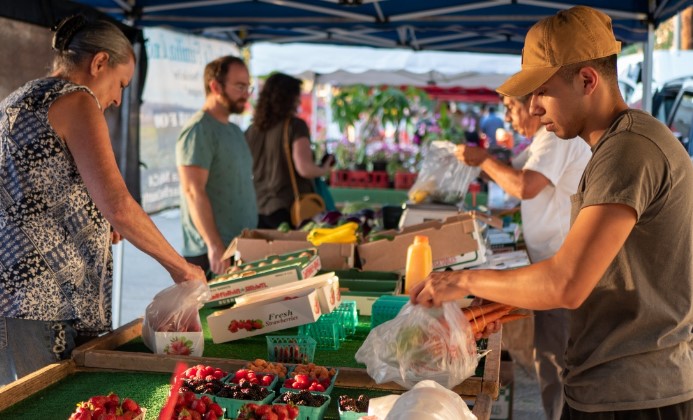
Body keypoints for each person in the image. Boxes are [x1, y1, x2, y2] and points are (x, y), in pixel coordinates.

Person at [411, 6, 693, 419]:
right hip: (615, 380)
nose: (535, 107)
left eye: (542, 91)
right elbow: (611, 272)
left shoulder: (628, 150)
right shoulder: (618, 144)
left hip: (635, 393)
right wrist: (501, 300)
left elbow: (566, 283)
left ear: (586, 80)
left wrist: (464, 281)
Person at [0, 15, 205, 386]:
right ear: (99, 63)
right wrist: (181, 268)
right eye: (121, 83)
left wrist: (94, 220)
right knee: (56, 403)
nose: (117, 98)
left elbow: (33, 192)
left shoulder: (19, 98)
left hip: (12, 300)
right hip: (47, 301)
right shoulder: (78, 100)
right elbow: (120, 205)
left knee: (20, 401)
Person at [456, 93, 591, 420]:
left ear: (534, 103)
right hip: (549, 269)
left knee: (557, 360)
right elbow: (514, 174)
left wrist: (482, 159)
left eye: (511, 107)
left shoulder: (556, 138)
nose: (510, 116)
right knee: (551, 357)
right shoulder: (542, 141)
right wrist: (474, 161)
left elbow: (525, 185)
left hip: (560, 272)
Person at [176, 56, 258, 277]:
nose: (246, 93)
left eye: (248, 87)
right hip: (212, 255)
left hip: (239, 249)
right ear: (215, 86)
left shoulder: (234, 130)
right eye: (240, 86)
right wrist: (214, 244)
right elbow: (193, 191)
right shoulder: (199, 130)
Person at [245, 73, 333, 229]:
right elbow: (304, 168)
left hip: (256, 208)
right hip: (288, 208)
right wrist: (324, 168)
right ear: (290, 98)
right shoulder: (295, 126)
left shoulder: (251, 131)